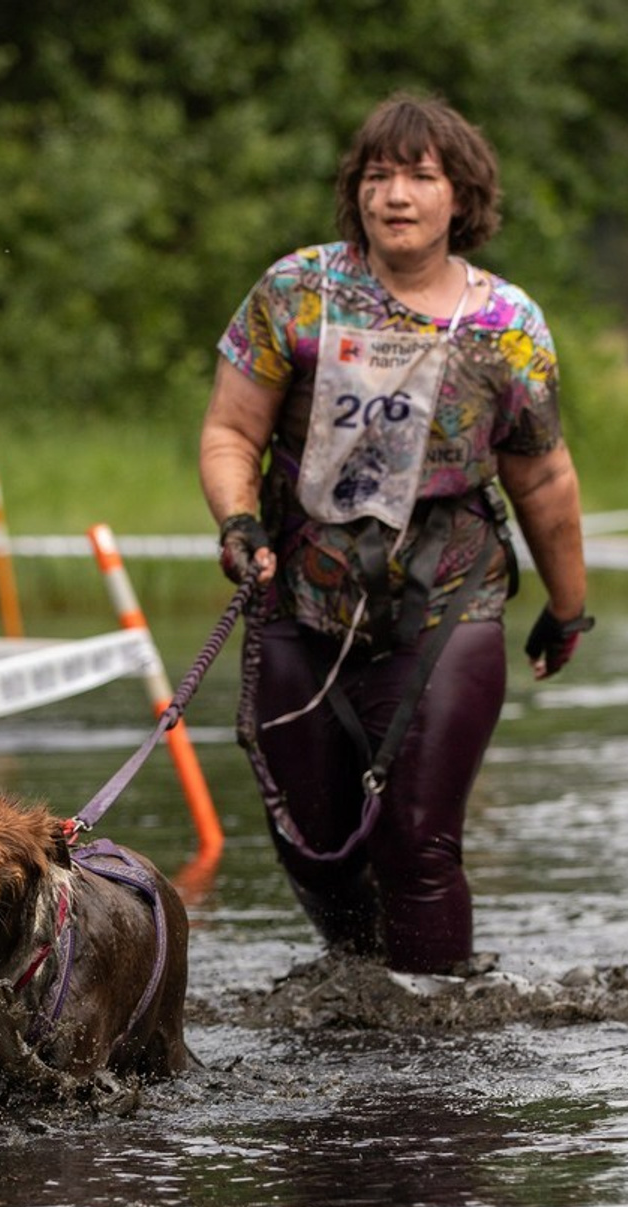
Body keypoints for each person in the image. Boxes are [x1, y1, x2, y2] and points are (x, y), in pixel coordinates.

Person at [198, 92, 593, 975]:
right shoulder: (295, 293)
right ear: (357, 192)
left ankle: (436, 1054)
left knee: (416, 843)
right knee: (313, 845)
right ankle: (361, 1002)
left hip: (450, 600)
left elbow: (545, 478)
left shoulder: (510, 327)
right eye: (379, 175)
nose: (397, 195)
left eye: (421, 176)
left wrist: (568, 611)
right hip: (300, 592)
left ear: (462, 196)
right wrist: (238, 522)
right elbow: (231, 433)